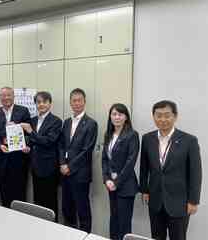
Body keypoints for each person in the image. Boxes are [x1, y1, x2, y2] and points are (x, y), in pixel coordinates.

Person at [140, 100, 202, 240]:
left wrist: (193, 200)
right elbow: (144, 167)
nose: (163, 119)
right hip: (155, 200)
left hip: (179, 202)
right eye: (159, 115)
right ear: (153, 117)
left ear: (175, 116)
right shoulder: (147, 139)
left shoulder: (189, 140)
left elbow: (195, 173)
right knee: (156, 237)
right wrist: (144, 190)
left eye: (167, 115)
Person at [59, 88, 98, 233]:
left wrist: (70, 166)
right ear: (70, 102)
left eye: (79, 100)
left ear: (84, 102)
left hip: (80, 174)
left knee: (82, 209)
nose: (76, 103)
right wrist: (63, 163)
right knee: (67, 208)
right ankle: (69, 234)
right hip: (64, 173)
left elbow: (87, 150)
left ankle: (85, 235)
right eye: (74, 100)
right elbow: (61, 145)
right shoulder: (67, 122)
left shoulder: (91, 123)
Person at [21, 91, 62, 220]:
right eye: (38, 102)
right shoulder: (32, 120)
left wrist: (30, 132)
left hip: (49, 168)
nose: (41, 104)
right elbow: (31, 141)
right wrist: (27, 146)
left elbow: (48, 141)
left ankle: (52, 227)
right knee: (37, 200)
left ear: (50, 103)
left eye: (44, 102)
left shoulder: (56, 121)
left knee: (50, 201)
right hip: (35, 166)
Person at [102, 103, 140, 240]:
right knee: (114, 219)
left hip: (125, 186)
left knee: (124, 224)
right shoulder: (108, 134)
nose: (117, 117)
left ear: (126, 117)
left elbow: (130, 162)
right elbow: (105, 159)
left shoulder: (132, 135)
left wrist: (116, 182)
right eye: (114, 114)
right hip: (111, 185)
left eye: (120, 114)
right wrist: (106, 179)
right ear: (110, 117)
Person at [0, 87, 31, 208]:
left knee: (19, 188)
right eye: (3, 96)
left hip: (18, 157)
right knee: (3, 187)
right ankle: (5, 211)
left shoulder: (23, 111)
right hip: (1, 156)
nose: (6, 98)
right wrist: (0, 145)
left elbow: (29, 132)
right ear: (0, 97)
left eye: (8, 95)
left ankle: (20, 213)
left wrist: (25, 144)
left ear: (13, 96)